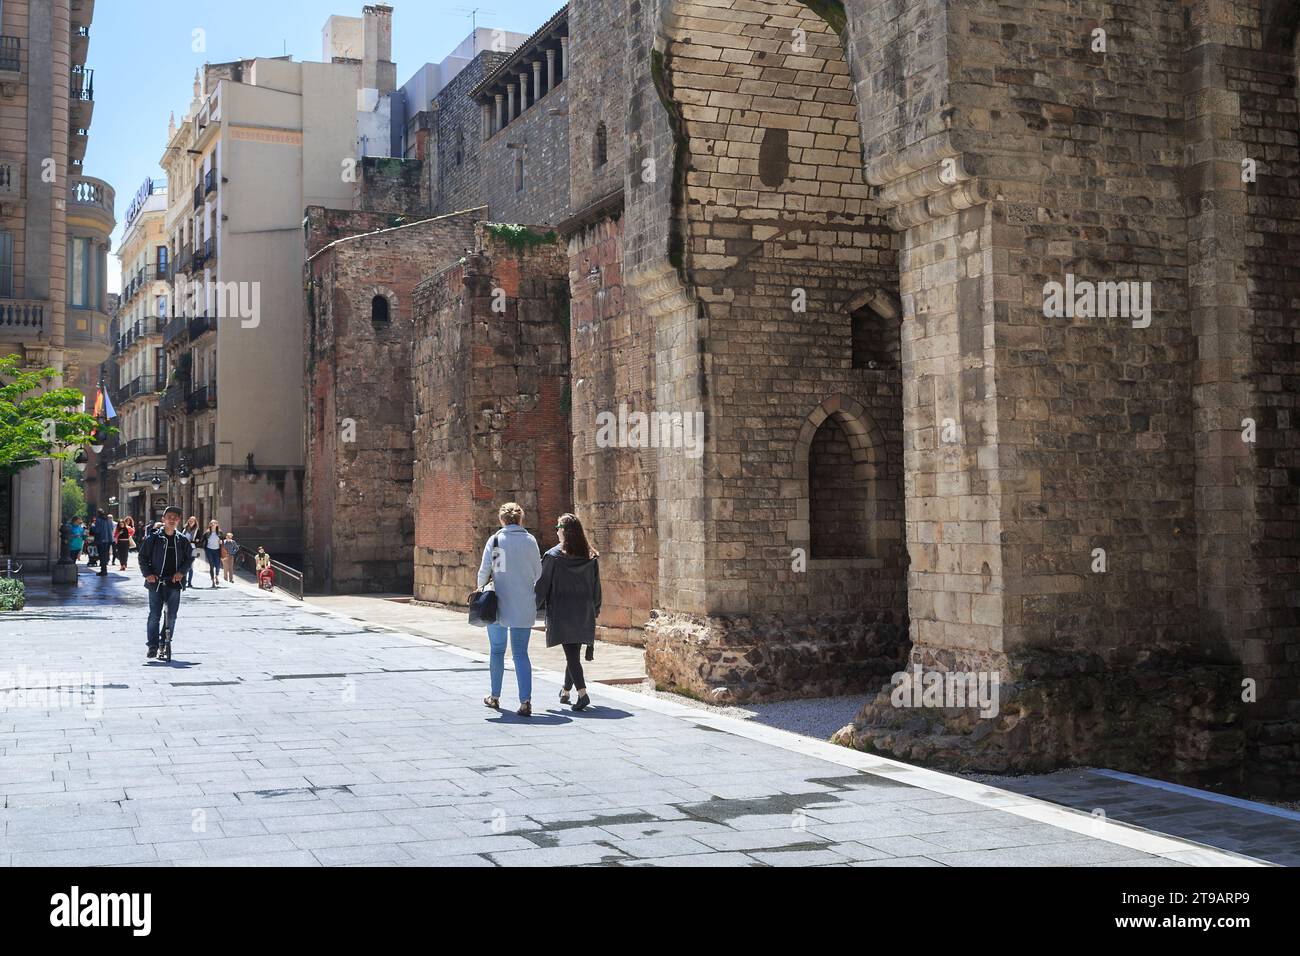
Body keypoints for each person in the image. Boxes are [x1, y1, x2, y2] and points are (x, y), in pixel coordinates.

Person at [476, 502, 543, 717]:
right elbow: (537, 573)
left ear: (501, 519)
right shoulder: (530, 541)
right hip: (523, 603)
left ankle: (495, 696)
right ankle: (525, 701)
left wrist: (481, 588)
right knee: (521, 653)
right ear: (521, 519)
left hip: (498, 603)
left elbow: (490, 570)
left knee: (497, 650)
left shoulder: (496, 540)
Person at [535, 513, 601, 712]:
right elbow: (597, 587)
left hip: (562, 612)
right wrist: (595, 609)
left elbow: (542, 585)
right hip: (584, 611)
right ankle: (565, 690)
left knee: (571, 654)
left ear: (564, 530)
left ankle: (582, 693)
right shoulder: (590, 557)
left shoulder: (553, 557)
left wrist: (531, 607)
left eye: (558, 526)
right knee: (573, 652)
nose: (556, 531)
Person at [139, 506, 194, 660]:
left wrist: (181, 572)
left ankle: (165, 641)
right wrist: (148, 574)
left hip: (174, 582)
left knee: (172, 616)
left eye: (175, 517)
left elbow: (190, 558)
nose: (172, 519)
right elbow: (142, 557)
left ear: (178, 520)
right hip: (155, 581)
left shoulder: (182, 540)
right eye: (169, 516)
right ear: (163, 519)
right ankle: (152, 645)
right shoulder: (154, 538)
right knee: (154, 615)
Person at [91, 510, 114, 576]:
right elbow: (112, 529)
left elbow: (97, 530)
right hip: (108, 540)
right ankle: (104, 570)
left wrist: (93, 526)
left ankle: (103, 571)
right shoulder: (109, 520)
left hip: (101, 540)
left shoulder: (98, 520)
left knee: (102, 556)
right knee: (105, 555)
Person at [202, 520, 224, 588]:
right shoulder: (207, 533)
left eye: (214, 523)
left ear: (217, 524)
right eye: (211, 523)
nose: (213, 524)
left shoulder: (220, 532)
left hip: (217, 550)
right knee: (211, 566)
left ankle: (216, 576)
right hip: (209, 550)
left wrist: (221, 542)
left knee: (217, 565)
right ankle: (212, 582)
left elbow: (223, 540)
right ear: (210, 525)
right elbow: (202, 540)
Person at [180, 517, 200, 587]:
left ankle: (189, 582)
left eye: (192, 521)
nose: (191, 522)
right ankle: (183, 581)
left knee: (190, 566)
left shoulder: (197, 530)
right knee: (183, 564)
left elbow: (199, 540)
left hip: (193, 548)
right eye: (190, 521)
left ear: (195, 522)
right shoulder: (184, 529)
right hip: (184, 548)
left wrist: (193, 541)